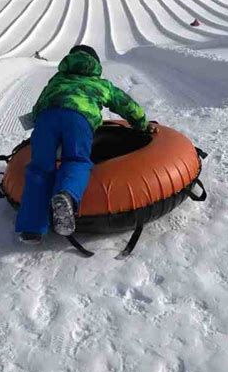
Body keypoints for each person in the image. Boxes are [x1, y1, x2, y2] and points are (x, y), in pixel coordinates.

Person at [16, 45, 151, 244]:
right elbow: (126, 105)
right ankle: (66, 196)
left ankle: (30, 229)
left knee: (40, 169)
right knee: (76, 161)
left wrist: (40, 121)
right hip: (79, 120)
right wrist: (142, 125)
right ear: (95, 63)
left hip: (46, 120)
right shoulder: (100, 84)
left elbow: (38, 107)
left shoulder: (57, 80)